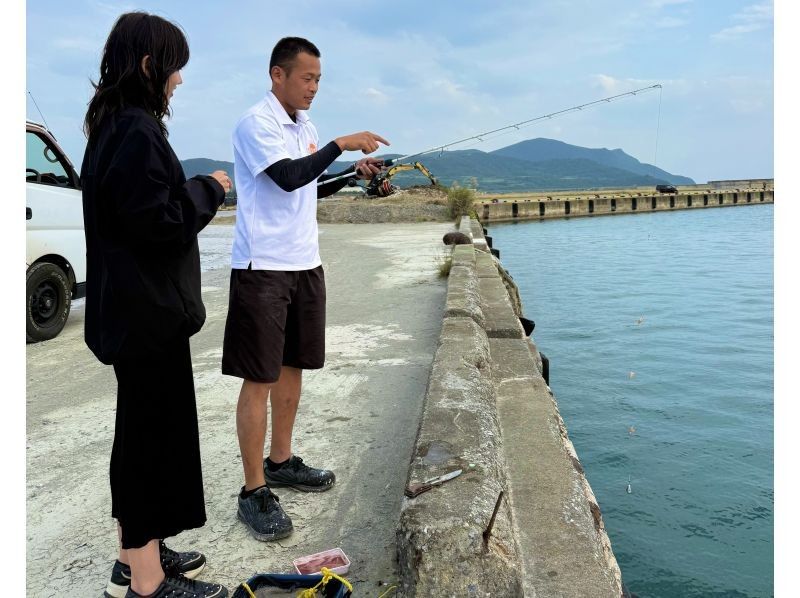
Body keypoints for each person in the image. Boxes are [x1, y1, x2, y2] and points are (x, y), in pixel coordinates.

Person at [81, 12, 232, 598]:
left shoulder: (112, 126)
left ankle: (136, 554)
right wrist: (208, 189)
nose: (179, 81)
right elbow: (159, 224)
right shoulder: (137, 130)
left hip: (131, 314)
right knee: (147, 443)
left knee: (142, 435)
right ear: (150, 66)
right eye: (175, 69)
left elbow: (136, 210)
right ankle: (148, 584)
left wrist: (189, 185)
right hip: (146, 319)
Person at [221, 36, 389, 541]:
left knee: (294, 365)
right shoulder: (256, 123)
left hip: (304, 262)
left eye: (318, 79)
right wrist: (341, 145)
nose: (314, 87)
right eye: (306, 78)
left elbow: (311, 185)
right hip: (263, 267)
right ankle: (253, 492)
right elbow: (288, 177)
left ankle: (281, 461)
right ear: (278, 75)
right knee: (259, 376)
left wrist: (348, 173)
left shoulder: (306, 126)